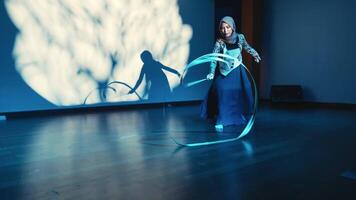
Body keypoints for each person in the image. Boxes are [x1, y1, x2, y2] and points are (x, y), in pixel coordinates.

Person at [200, 16, 261, 132]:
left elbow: (247, 47)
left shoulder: (240, 38)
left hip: (237, 71)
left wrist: (255, 54)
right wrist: (211, 72)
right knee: (222, 93)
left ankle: (239, 116)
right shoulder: (219, 42)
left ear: (232, 27)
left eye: (227, 27)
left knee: (241, 93)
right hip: (224, 72)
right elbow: (214, 58)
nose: (225, 30)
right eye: (222, 28)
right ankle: (222, 119)